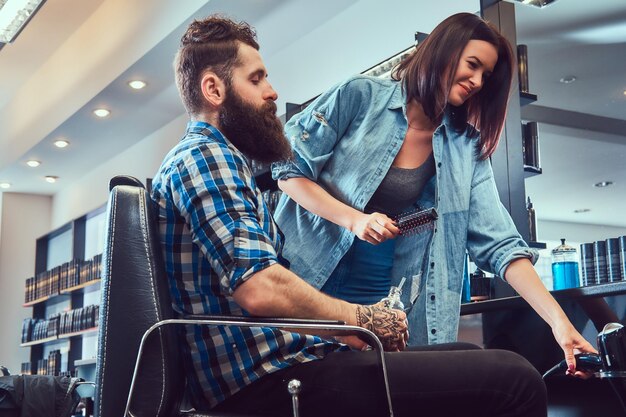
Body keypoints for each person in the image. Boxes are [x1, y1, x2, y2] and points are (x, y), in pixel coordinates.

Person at [151, 14, 548, 417]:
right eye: (256, 80)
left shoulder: (221, 161)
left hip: (287, 359)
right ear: (213, 89)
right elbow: (260, 290)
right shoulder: (205, 156)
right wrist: (363, 320)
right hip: (262, 379)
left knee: (465, 355)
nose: (272, 93)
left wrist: (350, 331)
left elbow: (498, 242)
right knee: (514, 378)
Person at [271, 12, 596, 369]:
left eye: (485, 76)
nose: (476, 81)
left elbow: (500, 244)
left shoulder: (465, 148)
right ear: (443, 51)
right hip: (308, 282)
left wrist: (558, 323)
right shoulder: (359, 97)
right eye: (472, 65)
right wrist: (354, 220)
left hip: (383, 305)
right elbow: (288, 170)